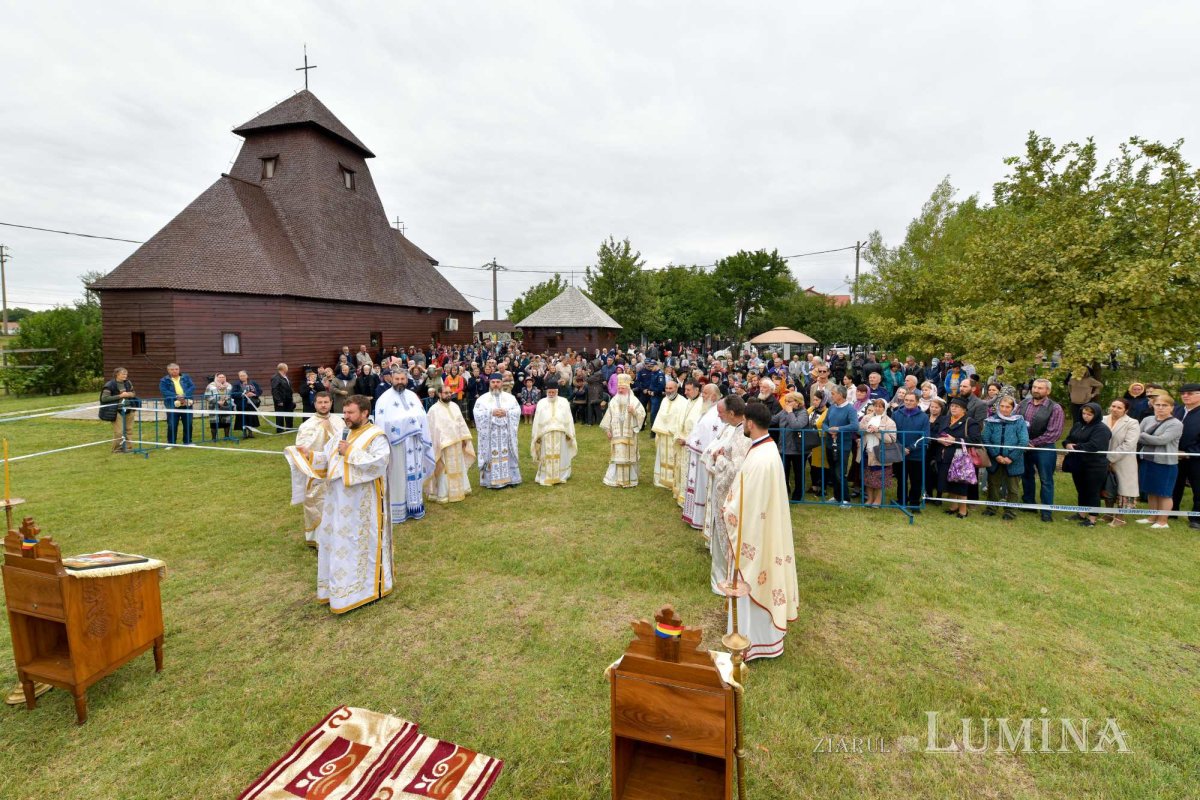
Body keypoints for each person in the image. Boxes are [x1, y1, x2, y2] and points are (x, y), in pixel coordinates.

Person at [720, 402, 799, 662]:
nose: (743, 425)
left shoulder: (759, 458)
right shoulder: (767, 448)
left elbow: (744, 502)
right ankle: (764, 638)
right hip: (766, 529)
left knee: (750, 580)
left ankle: (750, 641)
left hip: (755, 532)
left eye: (744, 422)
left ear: (750, 423)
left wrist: (728, 508)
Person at [305, 395, 391, 613]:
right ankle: (340, 590)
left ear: (364, 413)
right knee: (338, 544)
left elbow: (379, 463)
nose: (346, 417)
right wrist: (309, 456)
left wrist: (351, 452)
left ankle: (364, 589)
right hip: (337, 502)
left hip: (362, 503)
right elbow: (327, 459)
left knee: (360, 543)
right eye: (344, 413)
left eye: (351, 413)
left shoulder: (376, 436)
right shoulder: (341, 434)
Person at [284, 391, 346, 547]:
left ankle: (336, 537)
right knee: (316, 504)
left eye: (326, 402)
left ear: (331, 402)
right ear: (315, 404)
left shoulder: (339, 421)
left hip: (336, 470)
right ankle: (318, 540)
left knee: (337, 504)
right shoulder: (307, 425)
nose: (323, 405)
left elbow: (344, 442)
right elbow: (303, 448)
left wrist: (330, 429)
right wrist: (322, 430)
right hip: (315, 472)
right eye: (320, 402)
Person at [373, 368, 435, 523]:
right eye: (397, 379)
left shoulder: (413, 396)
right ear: (391, 379)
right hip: (396, 446)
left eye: (403, 379)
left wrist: (413, 425)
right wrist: (408, 424)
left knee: (415, 474)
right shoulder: (384, 399)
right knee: (398, 476)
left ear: (406, 380)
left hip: (415, 444)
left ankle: (415, 506)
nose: (400, 382)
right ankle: (398, 510)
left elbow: (422, 416)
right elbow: (382, 423)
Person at [702, 395, 747, 594]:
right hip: (725, 494)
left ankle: (725, 582)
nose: (718, 416)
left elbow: (737, 468)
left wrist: (719, 459)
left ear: (731, 413)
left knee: (728, 540)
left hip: (730, 496)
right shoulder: (736, 429)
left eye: (721, 413)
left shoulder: (742, 434)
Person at [1017, 378, 1065, 522]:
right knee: (1026, 475)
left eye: (1040, 388)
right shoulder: (1023, 403)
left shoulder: (1055, 408)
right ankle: (1029, 504)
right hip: (1025, 447)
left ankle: (1046, 511)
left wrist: (1032, 442)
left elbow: (1054, 433)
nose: (1036, 390)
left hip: (1044, 448)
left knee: (1046, 479)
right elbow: (1015, 420)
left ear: (1048, 391)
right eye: (1035, 387)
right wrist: (1023, 442)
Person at [1137, 395, 1184, 529]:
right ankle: (1152, 517)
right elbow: (1137, 437)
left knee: (1164, 493)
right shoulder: (1147, 419)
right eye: (1158, 405)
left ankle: (1163, 521)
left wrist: (1145, 436)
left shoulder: (1176, 423)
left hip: (1165, 463)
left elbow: (1162, 440)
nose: (1161, 408)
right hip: (1147, 459)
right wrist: (1149, 437)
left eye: (1165, 405)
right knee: (1151, 491)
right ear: (1153, 406)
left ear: (1171, 408)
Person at [682, 383, 724, 528]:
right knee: (698, 486)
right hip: (698, 454)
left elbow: (713, 436)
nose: (702, 395)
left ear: (713, 396)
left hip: (705, 456)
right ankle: (695, 516)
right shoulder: (708, 410)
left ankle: (702, 519)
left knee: (703, 486)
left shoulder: (716, 414)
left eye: (705, 393)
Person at [426, 383, 476, 504]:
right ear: (439, 394)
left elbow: (461, 423)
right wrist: (439, 444)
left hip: (457, 443)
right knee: (444, 470)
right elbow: (432, 430)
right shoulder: (433, 410)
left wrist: (464, 438)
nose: (449, 395)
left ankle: (461, 489)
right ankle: (444, 493)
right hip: (443, 446)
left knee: (459, 467)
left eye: (450, 392)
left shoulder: (454, 406)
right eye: (446, 393)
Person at [981, 394, 1028, 520]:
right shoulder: (991, 420)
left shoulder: (1019, 421)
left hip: (1013, 461)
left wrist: (1011, 457)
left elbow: (1023, 441)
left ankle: (1010, 511)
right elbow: (985, 438)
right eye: (1002, 406)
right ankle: (991, 508)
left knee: (1013, 488)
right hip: (995, 459)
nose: (1004, 409)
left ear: (1013, 408)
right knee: (993, 485)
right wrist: (996, 455)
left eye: (1007, 407)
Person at [473, 373, 522, 489]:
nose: (495, 385)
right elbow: (477, 413)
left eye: (498, 382)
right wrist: (491, 413)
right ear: (489, 383)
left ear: (501, 383)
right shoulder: (482, 399)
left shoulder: (510, 398)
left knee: (508, 453)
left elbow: (517, 411)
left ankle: (511, 479)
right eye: (493, 382)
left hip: (506, 434)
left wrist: (507, 412)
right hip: (491, 434)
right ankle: (491, 481)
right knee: (491, 455)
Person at [936, 396, 982, 519]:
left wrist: (955, 440)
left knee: (960, 485)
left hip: (960, 459)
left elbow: (975, 440)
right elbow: (936, 432)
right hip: (944, 456)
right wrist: (939, 440)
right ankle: (953, 506)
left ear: (964, 410)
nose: (953, 408)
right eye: (952, 406)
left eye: (957, 407)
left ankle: (963, 510)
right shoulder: (944, 419)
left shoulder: (970, 422)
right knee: (949, 482)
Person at [600, 373, 646, 488]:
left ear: (628, 388)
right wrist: (608, 430)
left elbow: (642, 414)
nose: (620, 390)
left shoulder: (634, 401)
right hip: (616, 434)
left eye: (623, 388)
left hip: (629, 434)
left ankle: (630, 479)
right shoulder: (614, 401)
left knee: (628, 456)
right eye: (619, 388)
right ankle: (615, 479)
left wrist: (634, 412)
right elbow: (608, 416)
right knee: (617, 456)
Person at [530, 377, 577, 486]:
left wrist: (569, 433)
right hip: (545, 433)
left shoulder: (564, 402)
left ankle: (561, 476)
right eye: (549, 392)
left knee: (561, 454)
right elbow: (537, 420)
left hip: (560, 433)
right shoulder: (541, 402)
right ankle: (545, 476)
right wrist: (537, 435)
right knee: (546, 455)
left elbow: (569, 419)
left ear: (557, 392)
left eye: (553, 392)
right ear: (546, 392)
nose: (551, 394)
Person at [1102, 397, 1140, 527]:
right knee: (1107, 487)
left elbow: (1128, 444)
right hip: (1103, 460)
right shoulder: (1102, 419)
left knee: (1123, 490)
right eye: (1113, 406)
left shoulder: (1132, 423)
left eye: (1119, 407)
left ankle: (1120, 518)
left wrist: (1110, 459)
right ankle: (1108, 514)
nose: (1115, 409)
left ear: (1126, 410)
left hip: (1124, 461)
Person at [892, 389, 930, 510]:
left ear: (917, 402)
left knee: (916, 480)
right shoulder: (896, 414)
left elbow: (925, 437)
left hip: (916, 455)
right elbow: (892, 433)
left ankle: (914, 503)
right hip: (899, 453)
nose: (908, 402)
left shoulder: (924, 417)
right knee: (901, 479)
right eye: (906, 400)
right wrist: (900, 447)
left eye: (911, 400)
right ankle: (901, 500)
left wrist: (910, 448)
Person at [771, 391, 810, 502]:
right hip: (783, 447)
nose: (787, 403)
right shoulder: (784, 411)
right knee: (783, 472)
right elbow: (773, 420)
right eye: (786, 401)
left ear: (798, 402)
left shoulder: (803, 412)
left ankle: (798, 496)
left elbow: (796, 425)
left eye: (789, 401)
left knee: (799, 473)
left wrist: (790, 413)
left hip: (798, 449)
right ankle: (784, 493)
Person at [858, 397, 898, 506]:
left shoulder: (890, 422)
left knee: (880, 479)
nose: (877, 408)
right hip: (867, 451)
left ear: (885, 408)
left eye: (880, 407)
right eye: (876, 406)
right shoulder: (866, 418)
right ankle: (869, 499)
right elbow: (859, 429)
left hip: (881, 453)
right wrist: (867, 428)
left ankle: (878, 500)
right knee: (868, 477)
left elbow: (892, 439)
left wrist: (878, 431)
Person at [1171, 383, 1200, 530]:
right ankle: (1171, 511)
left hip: (1196, 458)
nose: (1185, 396)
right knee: (1174, 485)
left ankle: (1196, 518)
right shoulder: (1176, 410)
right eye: (1183, 393)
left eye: (1190, 393)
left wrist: (1189, 453)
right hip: (1174, 455)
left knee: (1198, 488)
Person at [824, 385, 859, 503]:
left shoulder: (850, 409)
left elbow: (855, 425)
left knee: (840, 472)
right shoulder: (832, 407)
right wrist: (829, 430)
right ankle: (837, 496)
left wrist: (838, 429)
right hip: (830, 443)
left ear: (840, 395)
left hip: (843, 444)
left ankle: (846, 499)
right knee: (833, 471)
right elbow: (825, 423)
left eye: (833, 393)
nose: (831, 396)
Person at [651, 379, 686, 491]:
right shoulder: (664, 400)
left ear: (676, 389)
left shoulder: (683, 402)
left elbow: (682, 420)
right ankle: (662, 479)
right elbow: (661, 415)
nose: (668, 391)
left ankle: (673, 481)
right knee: (662, 456)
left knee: (673, 458)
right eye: (666, 388)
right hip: (663, 434)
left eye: (671, 388)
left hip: (673, 435)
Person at [100, 367, 137, 453]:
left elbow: (133, 393)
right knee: (119, 432)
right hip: (116, 411)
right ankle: (116, 449)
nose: (125, 376)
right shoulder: (109, 385)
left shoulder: (128, 383)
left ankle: (128, 448)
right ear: (117, 374)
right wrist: (120, 396)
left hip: (129, 409)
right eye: (123, 374)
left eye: (126, 374)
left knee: (129, 430)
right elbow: (104, 398)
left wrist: (128, 394)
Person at [159, 363, 195, 446]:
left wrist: (184, 395)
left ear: (179, 369)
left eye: (176, 369)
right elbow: (164, 391)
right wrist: (176, 396)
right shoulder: (164, 380)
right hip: (172, 405)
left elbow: (192, 387)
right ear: (168, 370)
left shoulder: (186, 377)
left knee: (188, 423)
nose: (175, 371)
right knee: (172, 424)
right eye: (172, 369)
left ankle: (188, 442)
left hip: (186, 403)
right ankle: (171, 443)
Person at [204, 373, 235, 440]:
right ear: (216, 378)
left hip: (226, 406)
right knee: (214, 422)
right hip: (214, 406)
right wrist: (217, 401)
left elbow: (231, 395)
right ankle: (214, 438)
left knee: (227, 422)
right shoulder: (210, 386)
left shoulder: (229, 385)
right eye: (220, 377)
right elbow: (206, 396)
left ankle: (226, 437)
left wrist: (225, 401)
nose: (222, 378)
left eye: (223, 377)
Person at [232, 370, 262, 439]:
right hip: (242, 405)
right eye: (240, 376)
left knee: (251, 418)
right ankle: (244, 433)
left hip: (251, 404)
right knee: (243, 419)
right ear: (239, 377)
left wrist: (254, 394)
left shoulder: (253, 383)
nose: (242, 377)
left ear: (247, 376)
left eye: (243, 375)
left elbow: (260, 391)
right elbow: (233, 394)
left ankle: (251, 433)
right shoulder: (236, 384)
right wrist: (244, 395)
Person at [272, 363, 297, 430]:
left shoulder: (285, 376)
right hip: (281, 400)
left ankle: (289, 428)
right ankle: (280, 429)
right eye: (287, 367)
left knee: (289, 414)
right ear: (284, 369)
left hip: (288, 399)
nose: (287, 369)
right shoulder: (276, 378)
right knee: (280, 415)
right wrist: (278, 400)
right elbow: (275, 390)